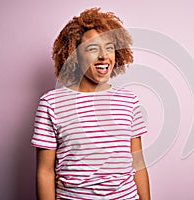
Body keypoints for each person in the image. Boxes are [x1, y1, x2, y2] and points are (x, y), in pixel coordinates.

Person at [31, 7, 151, 200]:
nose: (103, 56)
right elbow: (45, 172)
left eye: (109, 47)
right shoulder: (51, 103)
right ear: (75, 56)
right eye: (93, 48)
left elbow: (138, 165)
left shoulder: (129, 101)